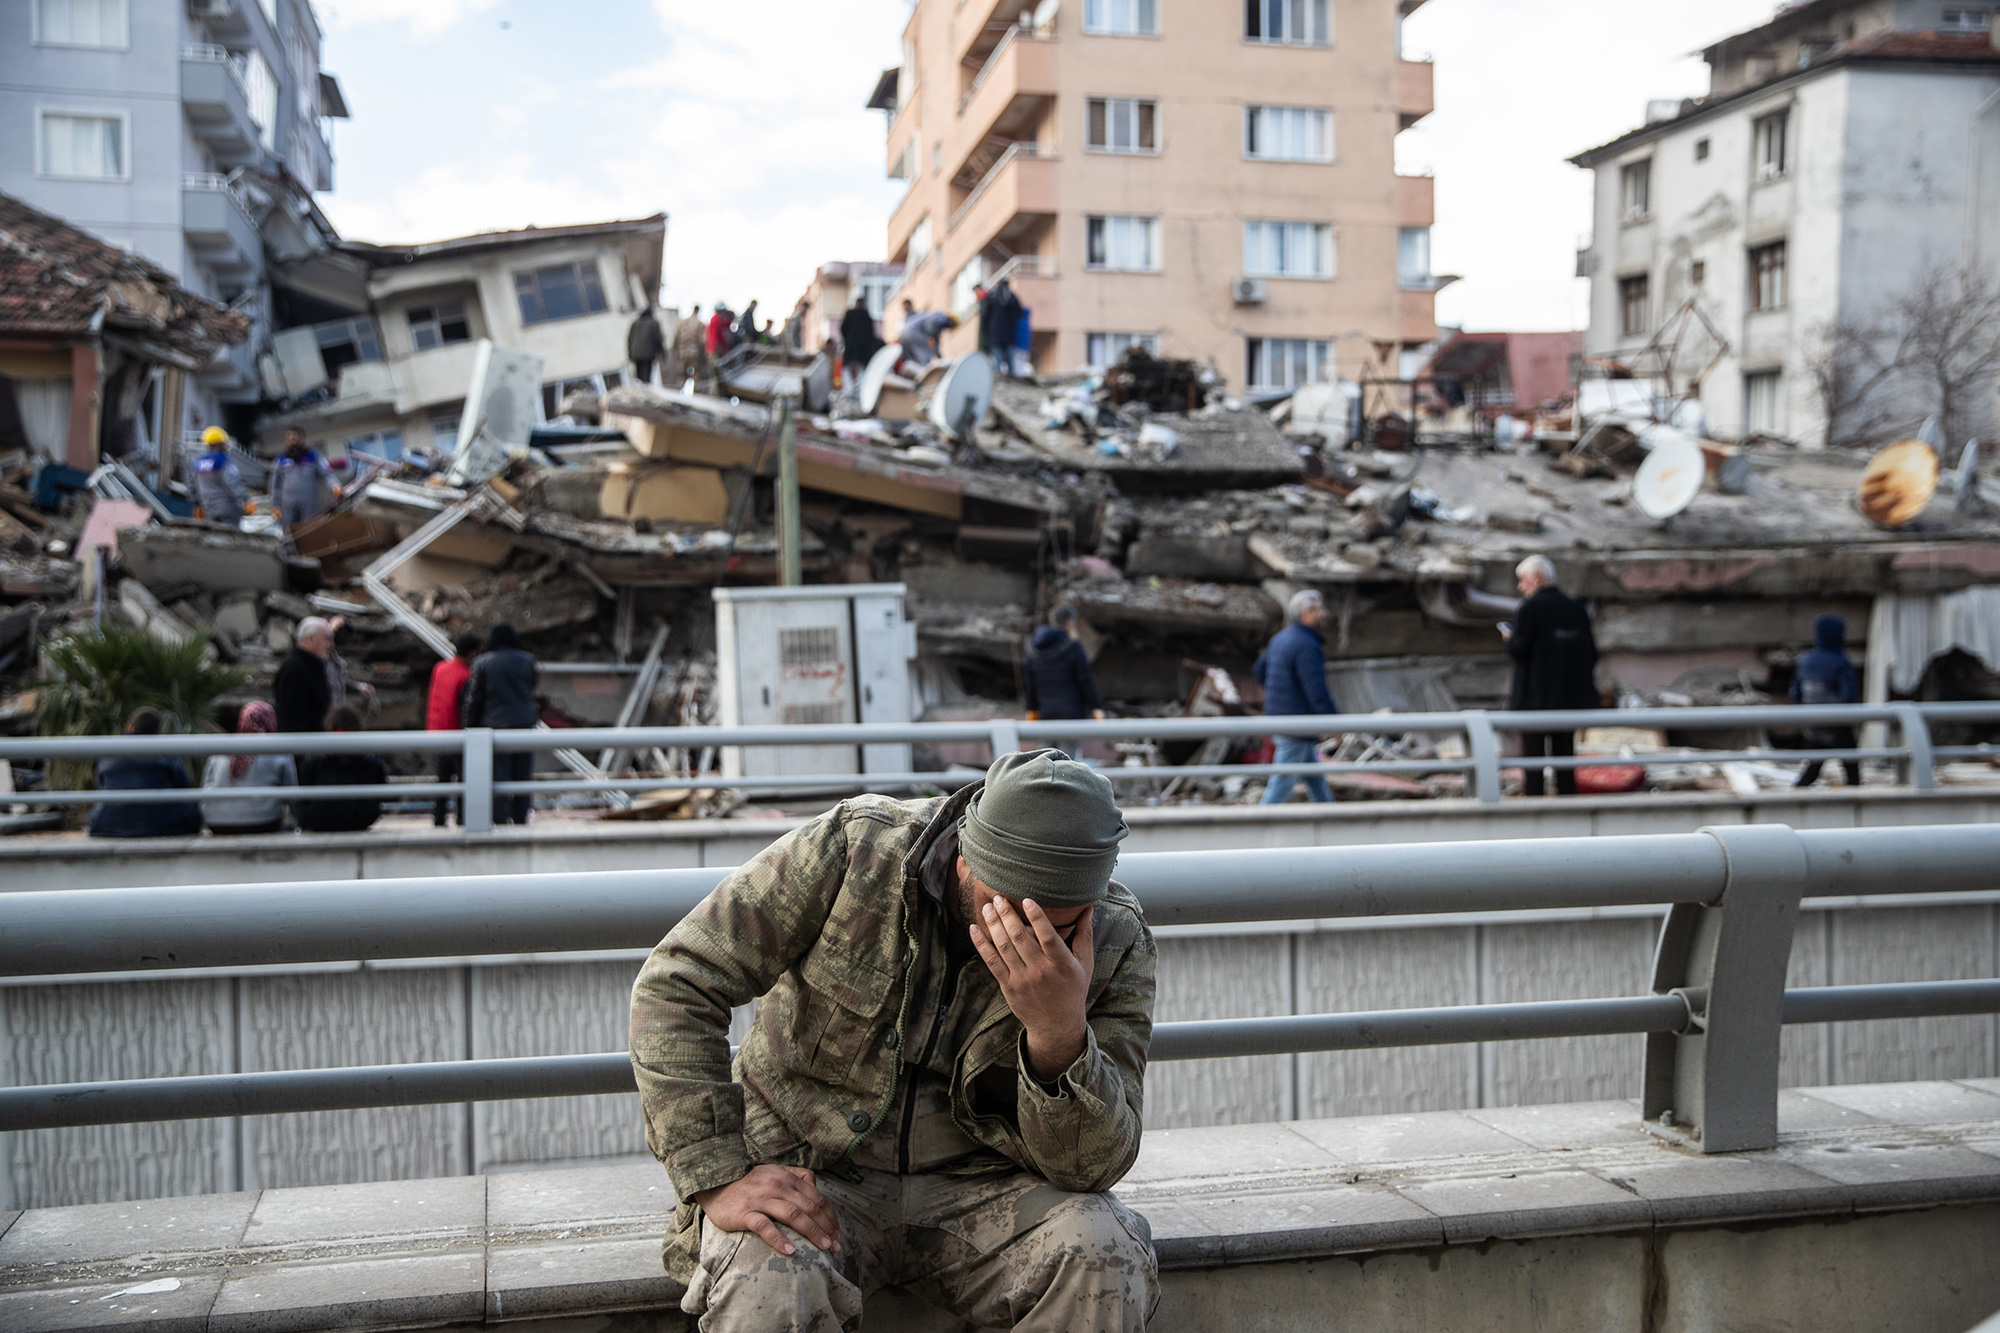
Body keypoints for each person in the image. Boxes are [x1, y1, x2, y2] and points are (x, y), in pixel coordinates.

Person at [631, 749, 1157, 1331]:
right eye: (1005, 911)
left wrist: (1058, 1035)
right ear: (964, 860)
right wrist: (718, 1174)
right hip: (813, 1170)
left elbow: (1093, 1169)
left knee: (1103, 1254)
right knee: (767, 1273)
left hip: (986, 1184)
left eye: (1057, 928)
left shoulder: (1114, 937)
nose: (1026, 940)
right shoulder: (856, 851)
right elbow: (678, 981)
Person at [1503, 554, 1599, 797]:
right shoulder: (1575, 608)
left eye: (1523, 580)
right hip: (1568, 700)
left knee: (1533, 761)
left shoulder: (1530, 608)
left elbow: (1519, 650)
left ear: (1536, 579)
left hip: (1534, 702)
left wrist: (1509, 639)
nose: (1520, 586)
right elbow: (1591, 653)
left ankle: (1535, 806)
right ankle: (1568, 804)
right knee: (1565, 757)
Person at [1253, 590, 1340, 804]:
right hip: (1296, 723)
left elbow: (1259, 671)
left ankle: (1330, 818)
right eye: (1318, 609)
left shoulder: (1281, 638)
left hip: (1279, 717)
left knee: (1314, 778)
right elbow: (1316, 691)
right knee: (1281, 784)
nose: (1324, 613)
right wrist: (1335, 723)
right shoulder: (1307, 645)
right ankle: (1259, 826)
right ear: (1306, 613)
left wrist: (1279, 694)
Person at [464, 623, 539, 825]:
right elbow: (532, 685)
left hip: (496, 726)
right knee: (523, 774)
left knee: (499, 775)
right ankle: (521, 816)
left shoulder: (482, 663)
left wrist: (470, 725)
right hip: (524, 725)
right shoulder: (527, 660)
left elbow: (475, 697)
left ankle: (500, 817)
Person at [88, 708, 203, 838]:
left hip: (106, 825)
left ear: (128, 727)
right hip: (162, 824)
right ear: (159, 733)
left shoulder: (107, 751)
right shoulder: (166, 751)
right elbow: (183, 788)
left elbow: (102, 784)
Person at [1022, 604, 1105, 760]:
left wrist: (1031, 709)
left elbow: (1030, 685)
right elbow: (1085, 680)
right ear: (1069, 623)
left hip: (1045, 716)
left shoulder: (1033, 650)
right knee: (1066, 764)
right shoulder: (1073, 648)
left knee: (1043, 761)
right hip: (1071, 715)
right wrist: (1096, 707)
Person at [201, 701, 296, 835]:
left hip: (216, 822)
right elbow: (292, 793)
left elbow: (206, 785)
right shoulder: (277, 750)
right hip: (262, 821)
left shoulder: (220, 749)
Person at [1792, 613, 1861, 787]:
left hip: (1814, 722)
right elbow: (1849, 696)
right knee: (1852, 769)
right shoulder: (1841, 661)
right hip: (1838, 723)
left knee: (1812, 768)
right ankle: (1856, 804)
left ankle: (1794, 799)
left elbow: (1795, 691)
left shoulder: (1805, 661)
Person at [296, 705, 387, 833]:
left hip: (321, 819)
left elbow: (304, 787)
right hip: (361, 819)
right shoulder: (371, 760)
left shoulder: (315, 759)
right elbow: (382, 786)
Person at [426, 633, 481, 827]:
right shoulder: (465, 675)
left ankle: (439, 818)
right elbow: (465, 708)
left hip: (438, 731)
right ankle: (462, 819)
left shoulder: (439, 668)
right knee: (464, 780)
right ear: (473, 653)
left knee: (443, 779)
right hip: (456, 733)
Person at [274, 616, 335, 736]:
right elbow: (292, 717)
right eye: (327, 639)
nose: (331, 645)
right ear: (310, 639)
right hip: (302, 745)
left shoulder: (313, 666)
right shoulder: (295, 669)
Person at [271, 428, 334, 530]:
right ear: (286, 440)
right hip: (287, 504)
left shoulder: (313, 456)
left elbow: (326, 474)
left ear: (303, 439)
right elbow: (275, 484)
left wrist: (334, 485)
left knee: (310, 529)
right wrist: (275, 505)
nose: (293, 438)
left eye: (296, 436)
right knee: (289, 531)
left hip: (309, 502)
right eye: (290, 436)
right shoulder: (280, 459)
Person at [320, 615, 377, 717]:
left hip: (334, 714)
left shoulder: (334, 659)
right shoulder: (316, 659)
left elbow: (339, 682)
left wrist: (359, 687)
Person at [193, 425, 247, 524]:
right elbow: (232, 483)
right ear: (219, 443)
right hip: (227, 509)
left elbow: (192, 487)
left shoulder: (198, 462)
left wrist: (198, 504)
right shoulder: (224, 460)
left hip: (208, 509)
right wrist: (246, 499)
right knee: (232, 538)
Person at [978, 279, 1024, 377]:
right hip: (1009, 335)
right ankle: (1011, 378)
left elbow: (984, 317)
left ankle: (999, 378)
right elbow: (1019, 314)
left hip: (994, 335)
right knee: (1010, 363)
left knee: (997, 362)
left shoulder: (991, 297)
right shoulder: (1011, 297)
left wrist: (985, 333)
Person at [839, 294, 884, 395]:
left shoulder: (850, 314)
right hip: (862, 350)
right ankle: (859, 393)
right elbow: (871, 333)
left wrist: (847, 340)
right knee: (861, 371)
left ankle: (850, 392)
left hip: (851, 349)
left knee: (848, 371)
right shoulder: (865, 315)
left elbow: (843, 329)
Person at [628, 301, 666, 386]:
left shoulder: (635, 323)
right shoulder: (653, 323)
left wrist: (630, 354)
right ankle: (646, 390)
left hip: (636, 354)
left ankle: (641, 389)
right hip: (648, 353)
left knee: (639, 375)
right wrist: (662, 353)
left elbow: (630, 339)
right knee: (647, 375)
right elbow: (658, 338)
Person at [672, 304, 708, 391]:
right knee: (696, 375)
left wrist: (676, 350)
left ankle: (678, 392)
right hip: (694, 352)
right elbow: (701, 340)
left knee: (682, 374)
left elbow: (677, 337)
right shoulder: (699, 324)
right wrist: (703, 353)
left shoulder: (683, 322)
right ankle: (696, 394)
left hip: (682, 351)